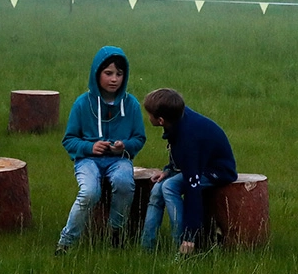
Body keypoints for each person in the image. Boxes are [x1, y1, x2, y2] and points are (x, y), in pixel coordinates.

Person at [55, 46, 146, 255]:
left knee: (124, 183)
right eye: (108, 73)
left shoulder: (130, 104)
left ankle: (116, 231)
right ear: (97, 73)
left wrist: (125, 146)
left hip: (119, 160)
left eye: (119, 74)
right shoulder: (82, 104)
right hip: (87, 160)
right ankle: (66, 242)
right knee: (89, 192)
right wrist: (90, 146)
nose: (114, 79)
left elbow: (139, 138)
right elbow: (69, 140)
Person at [140, 88, 236, 254]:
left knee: (169, 187)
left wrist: (190, 236)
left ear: (161, 120)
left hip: (217, 170)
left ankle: (182, 248)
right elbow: (175, 149)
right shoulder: (177, 118)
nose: (148, 117)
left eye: (149, 114)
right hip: (199, 163)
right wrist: (169, 169)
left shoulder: (189, 139)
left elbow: (193, 189)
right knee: (157, 189)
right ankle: (146, 247)